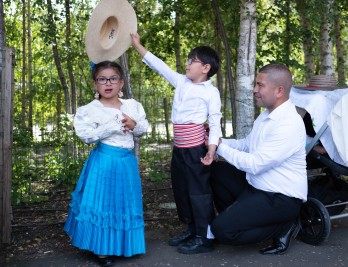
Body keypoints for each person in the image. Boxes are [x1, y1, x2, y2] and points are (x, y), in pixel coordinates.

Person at [131, 33, 222, 254]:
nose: (187, 64)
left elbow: (215, 121)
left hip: (196, 150)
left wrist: (211, 150)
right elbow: (159, 66)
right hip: (179, 149)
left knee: (199, 193)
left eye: (192, 61)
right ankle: (192, 229)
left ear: (206, 68)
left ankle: (205, 237)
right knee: (181, 189)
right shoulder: (181, 81)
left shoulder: (211, 92)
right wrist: (138, 46)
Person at [209, 63, 307, 255]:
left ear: (279, 90)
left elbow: (255, 164)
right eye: (256, 84)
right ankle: (241, 218)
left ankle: (283, 226)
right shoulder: (266, 115)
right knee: (217, 171)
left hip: (280, 198)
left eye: (260, 85)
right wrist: (217, 142)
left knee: (221, 231)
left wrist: (219, 148)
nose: (254, 89)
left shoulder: (289, 123)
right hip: (256, 188)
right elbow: (247, 144)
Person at [64, 61, 149, 266]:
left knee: (124, 204)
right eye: (102, 79)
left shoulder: (132, 105)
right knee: (102, 203)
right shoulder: (89, 110)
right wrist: (111, 126)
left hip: (126, 163)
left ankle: (123, 245)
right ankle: (102, 249)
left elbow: (144, 129)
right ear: (95, 84)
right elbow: (86, 136)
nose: (108, 83)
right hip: (104, 162)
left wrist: (133, 124)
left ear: (121, 83)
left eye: (113, 79)